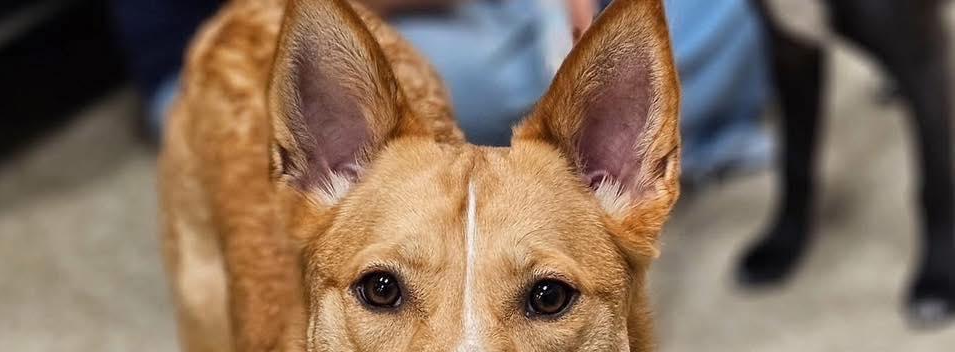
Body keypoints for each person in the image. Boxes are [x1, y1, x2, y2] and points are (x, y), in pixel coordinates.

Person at [112, 0, 770, 181]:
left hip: (488, 20)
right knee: (511, 67)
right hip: (244, 48)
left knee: (742, 11)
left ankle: (599, 145)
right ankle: (615, 143)